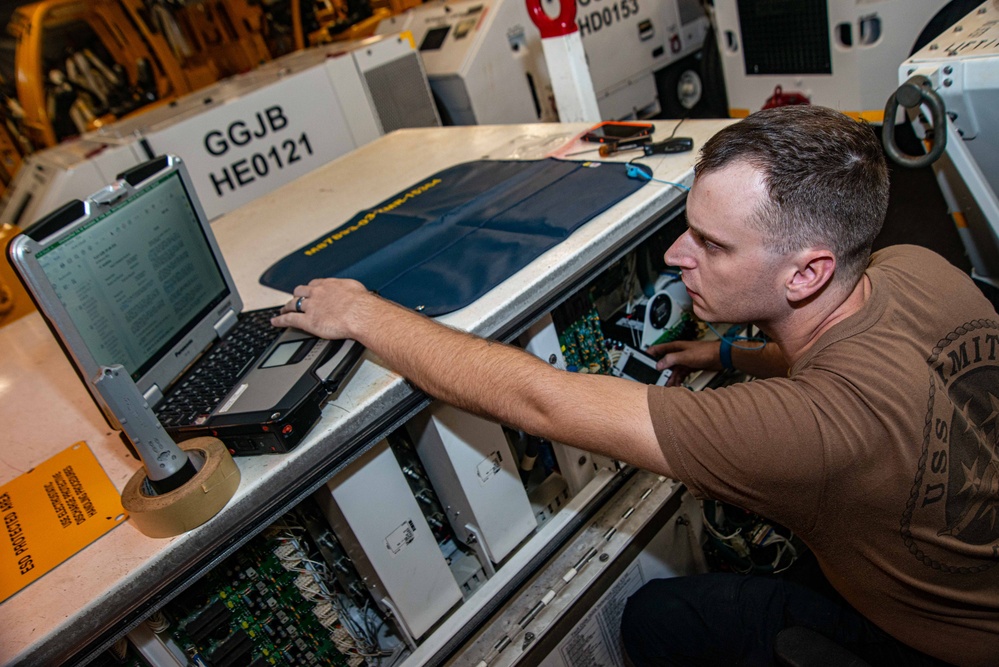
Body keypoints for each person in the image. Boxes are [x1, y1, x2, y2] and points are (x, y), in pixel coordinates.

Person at [272, 105, 999, 666]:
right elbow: (861, 376)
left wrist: (363, 311)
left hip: (941, 647)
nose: (677, 254)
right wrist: (727, 354)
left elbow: (540, 398)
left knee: (652, 620)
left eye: (713, 245)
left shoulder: (807, 431)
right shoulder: (916, 266)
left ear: (806, 272)